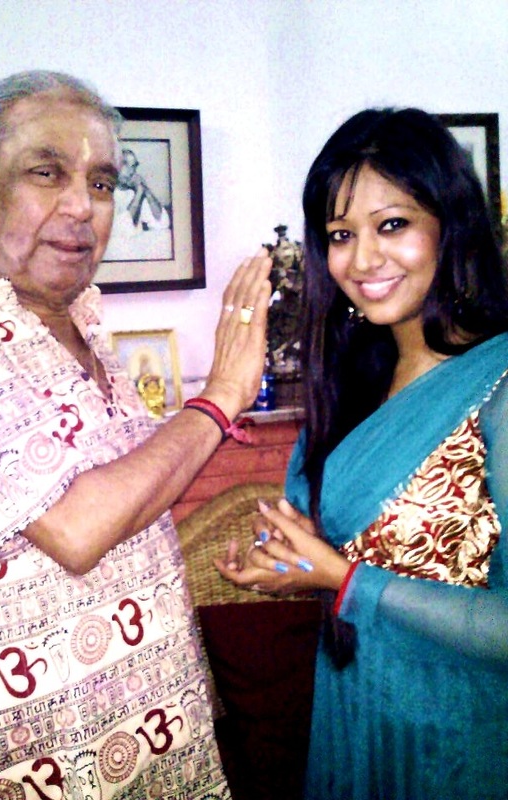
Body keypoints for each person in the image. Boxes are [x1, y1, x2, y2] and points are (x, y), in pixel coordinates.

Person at [0, 70, 272, 799]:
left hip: (153, 747)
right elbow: (78, 526)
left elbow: (136, 502)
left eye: (102, 184)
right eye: (47, 172)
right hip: (18, 766)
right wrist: (223, 396)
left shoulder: (85, 329)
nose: (82, 207)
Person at [216, 107, 508, 800]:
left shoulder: (499, 384)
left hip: (465, 742)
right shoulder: (351, 379)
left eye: (393, 225)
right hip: (355, 710)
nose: (363, 260)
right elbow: (357, 541)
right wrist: (293, 562)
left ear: (452, 223)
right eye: (341, 235)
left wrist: (343, 580)